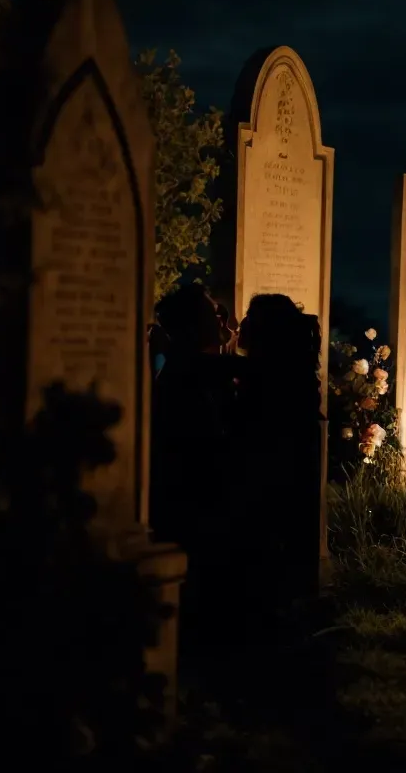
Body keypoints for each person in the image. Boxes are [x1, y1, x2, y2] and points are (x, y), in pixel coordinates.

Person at [149, 283, 244, 661]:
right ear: (191, 327)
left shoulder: (203, 371)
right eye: (210, 313)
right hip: (196, 509)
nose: (220, 318)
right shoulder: (187, 375)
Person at [232, 294, 326, 623]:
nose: (239, 323)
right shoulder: (285, 373)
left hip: (271, 478)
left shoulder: (269, 379)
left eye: (248, 317)